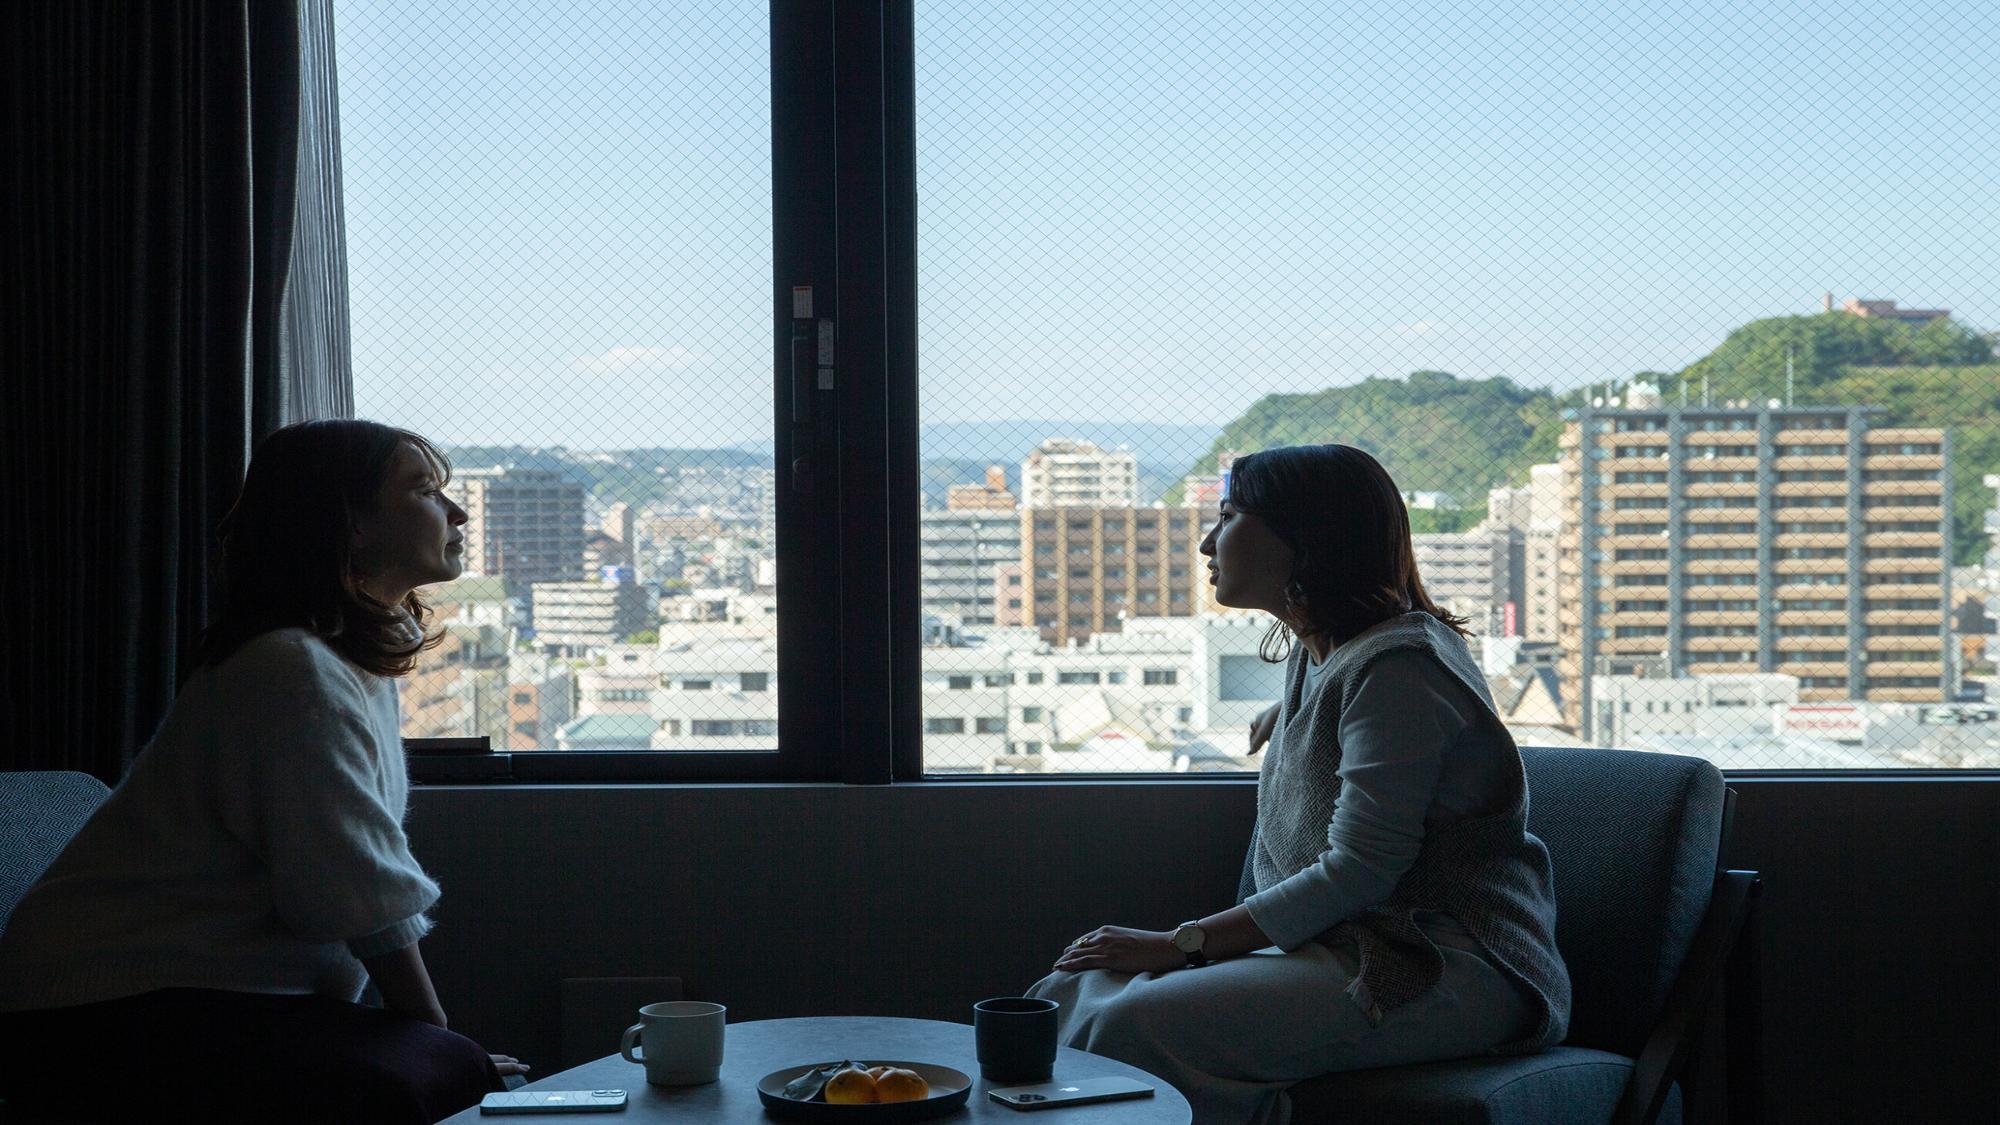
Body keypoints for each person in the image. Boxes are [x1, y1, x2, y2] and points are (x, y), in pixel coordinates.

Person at [0, 420, 527, 1123]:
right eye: (426, 490)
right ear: (353, 525)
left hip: (191, 997)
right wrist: (447, 1044)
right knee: (435, 1072)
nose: (457, 512)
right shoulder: (292, 668)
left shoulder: (338, 661)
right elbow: (355, 885)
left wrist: (436, 1047)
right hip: (102, 1006)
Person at [1027, 444, 1571, 1125]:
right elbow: (1360, 728)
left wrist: (1179, 942)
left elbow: (1360, 871)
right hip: (1345, 945)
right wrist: (1294, 715)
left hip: (1442, 964)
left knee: (1140, 1018)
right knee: (1069, 991)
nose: (1206, 542)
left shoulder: (1399, 669)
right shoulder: (1326, 651)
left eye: (1227, 516)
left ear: (1305, 538)